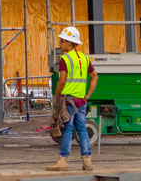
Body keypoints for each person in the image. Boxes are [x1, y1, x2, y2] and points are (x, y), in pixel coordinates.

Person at [46, 26, 98, 172]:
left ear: (70, 43)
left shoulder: (66, 59)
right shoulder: (84, 58)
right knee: (81, 129)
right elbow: (95, 77)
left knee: (67, 129)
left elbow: (62, 80)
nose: (60, 44)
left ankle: (62, 161)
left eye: (62, 41)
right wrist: (87, 95)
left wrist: (56, 96)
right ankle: (87, 161)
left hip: (68, 101)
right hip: (81, 101)